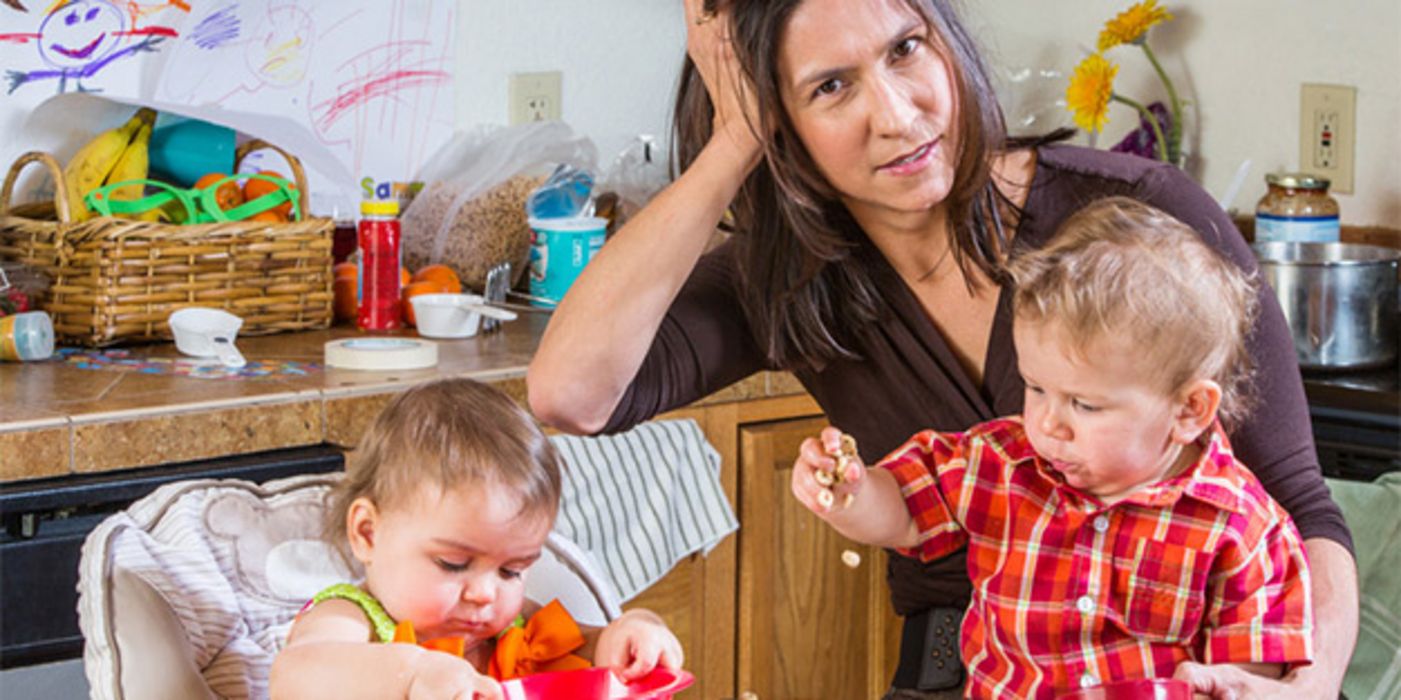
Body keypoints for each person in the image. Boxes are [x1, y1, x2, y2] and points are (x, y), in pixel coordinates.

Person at [526, 1, 1357, 697]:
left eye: (905, 49)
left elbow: (1298, 503)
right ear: (780, 122)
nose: (895, 115)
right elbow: (570, 394)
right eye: (829, 87)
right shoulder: (787, 280)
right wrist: (734, 143)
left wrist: (1302, 690)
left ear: (946, 41)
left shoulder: (1137, 227)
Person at [791, 197, 1313, 698]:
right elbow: (903, 512)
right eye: (1036, 388)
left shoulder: (1242, 529)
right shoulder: (1001, 463)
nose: (1048, 422)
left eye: (1084, 406)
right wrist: (852, 494)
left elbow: (1244, 680)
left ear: (1189, 410)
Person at [270, 378, 683, 700]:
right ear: (367, 533)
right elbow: (295, 675)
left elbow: (594, 644)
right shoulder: (351, 619)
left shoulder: (512, 626)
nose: (486, 593)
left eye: (511, 570)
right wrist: (412, 676)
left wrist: (633, 633)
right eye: (453, 563)